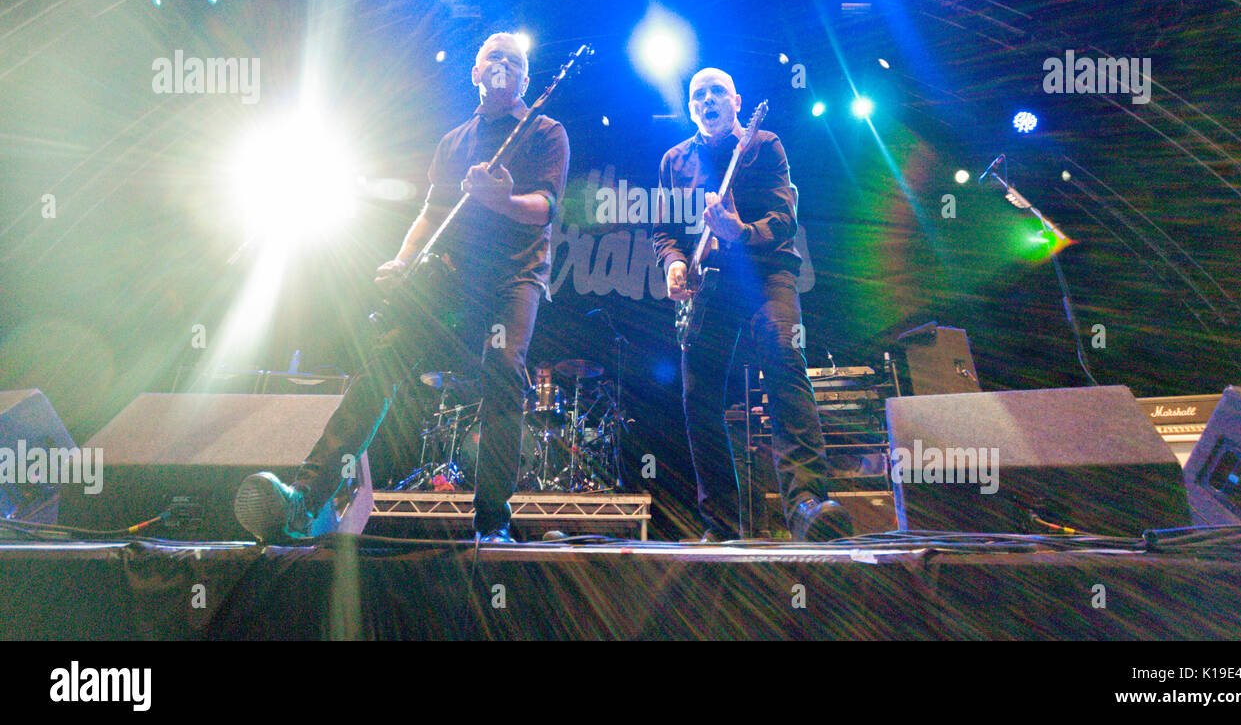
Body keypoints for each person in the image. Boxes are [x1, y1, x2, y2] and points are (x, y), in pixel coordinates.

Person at [234, 32, 569, 544]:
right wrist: (403, 260)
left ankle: (492, 522)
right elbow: (433, 212)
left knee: (503, 373)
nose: (501, 64)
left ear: (525, 79)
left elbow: (545, 208)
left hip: (514, 278)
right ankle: (306, 498)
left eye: (514, 61)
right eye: (491, 57)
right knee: (381, 363)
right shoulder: (454, 142)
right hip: (453, 277)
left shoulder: (546, 132)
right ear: (475, 73)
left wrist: (502, 200)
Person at [652, 67, 853, 542]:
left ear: (737, 101)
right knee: (698, 395)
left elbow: (784, 219)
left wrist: (739, 233)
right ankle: (718, 522)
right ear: (689, 107)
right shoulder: (674, 161)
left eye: (717, 91)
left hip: (768, 273)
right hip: (710, 285)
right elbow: (664, 230)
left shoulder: (765, 145)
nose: (707, 99)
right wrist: (674, 262)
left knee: (784, 361)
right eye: (697, 94)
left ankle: (805, 502)